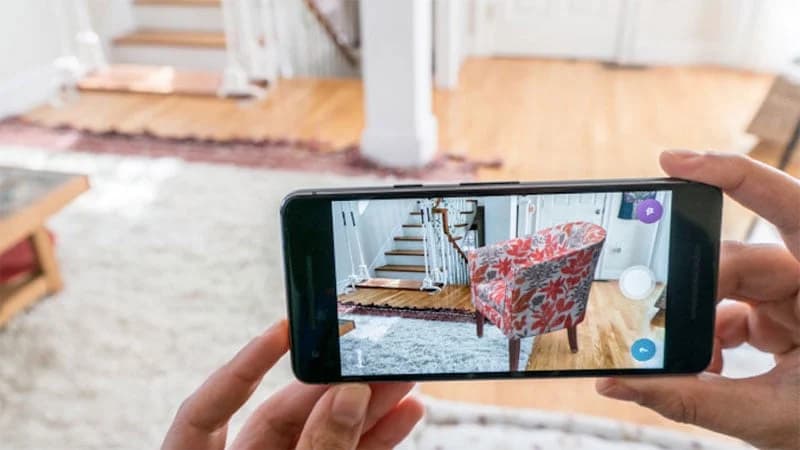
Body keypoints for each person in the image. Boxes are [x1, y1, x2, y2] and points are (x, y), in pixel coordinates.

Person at [163, 150, 800, 450]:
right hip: (541, 288)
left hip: (533, 291)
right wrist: (488, 265)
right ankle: (515, 317)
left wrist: (489, 270)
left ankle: (510, 319)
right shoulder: (545, 251)